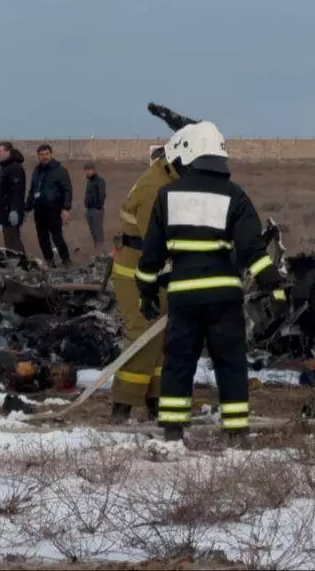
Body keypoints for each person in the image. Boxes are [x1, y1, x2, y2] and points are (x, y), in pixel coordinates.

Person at [135, 121, 286, 443]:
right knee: (230, 363)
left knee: (179, 362)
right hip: (224, 297)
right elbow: (252, 251)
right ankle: (236, 432)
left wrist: (146, 292)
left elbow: (151, 256)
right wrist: (274, 285)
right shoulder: (236, 195)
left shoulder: (168, 195)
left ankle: (173, 431)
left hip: (183, 297)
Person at [108, 139, 184, 424]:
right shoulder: (156, 188)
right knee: (144, 334)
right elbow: (157, 238)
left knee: (162, 337)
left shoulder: (169, 181)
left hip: (156, 270)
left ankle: (156, 400)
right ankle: (123, 405)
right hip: (137, 272)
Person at [26, 144, 73, 268]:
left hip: (53, 209)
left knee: (57, 237)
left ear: (51, 154)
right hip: (39, 210)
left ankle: (66, 260)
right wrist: (27, 207)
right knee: (42, 238)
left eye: (46, 154)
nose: (44, 157)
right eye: (42, 155)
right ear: (38, 156)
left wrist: (66, 208)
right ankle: (50, 262)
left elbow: (67, 189)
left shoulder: (60, 171)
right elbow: (32, 190)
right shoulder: (37, 171)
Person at [0, 142, 27, 253]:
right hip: (4, 210)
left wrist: (14, 210)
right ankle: (14, 263)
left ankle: (23, 264)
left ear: (8, 152)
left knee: (14, 240)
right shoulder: (5, 167)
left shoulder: (15, 167)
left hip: (11, 211)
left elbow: (17, 191)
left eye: (0, 151)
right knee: (8, 241)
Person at [83, 162, 107, 253]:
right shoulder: (90, 181)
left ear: (93, 170)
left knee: (98, 232)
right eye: (86, 171)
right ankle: (98, 251)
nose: (87, 172)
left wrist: (97, 206)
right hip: (89, 210)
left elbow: (102, 194)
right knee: (93, 232)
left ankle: (101, 253)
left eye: (89, 170)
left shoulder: (99, 180)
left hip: (96, 210)